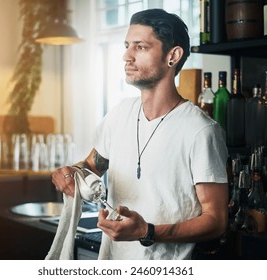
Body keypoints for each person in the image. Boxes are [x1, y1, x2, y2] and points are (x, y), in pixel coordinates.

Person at [53, 9, 228, 260]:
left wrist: (147, 232)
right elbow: (91, 167)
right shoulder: (119, 114)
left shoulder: (201, 131)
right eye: (127, 46)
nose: (126, 56)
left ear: (173, 56)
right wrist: (70, 173)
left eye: (141, 47)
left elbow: (216, 220)